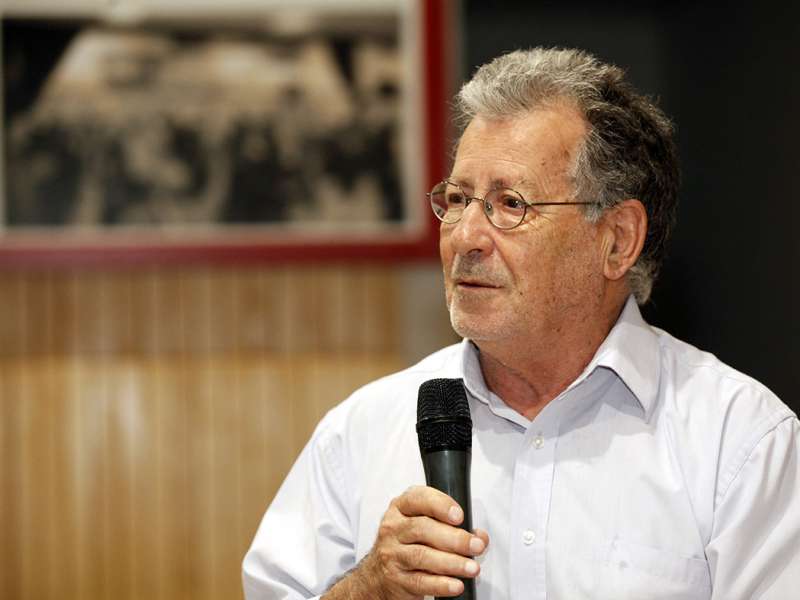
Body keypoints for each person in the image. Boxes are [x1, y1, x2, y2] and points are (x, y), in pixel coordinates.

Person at [242, 47, 799, 599]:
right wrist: (369, 589)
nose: (465, 236)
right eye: (458, 199)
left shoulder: (740, 442)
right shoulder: (361, 431)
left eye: (511, 205)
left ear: (617, 240)